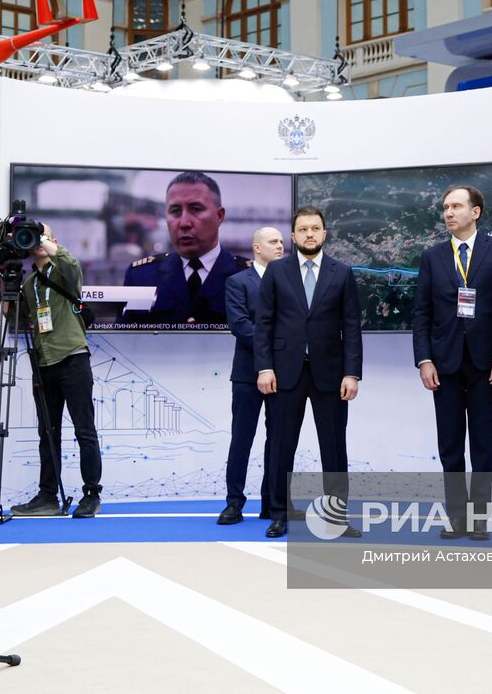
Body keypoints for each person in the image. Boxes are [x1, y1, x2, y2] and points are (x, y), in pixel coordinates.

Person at [412, 185, 492, 539]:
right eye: (445, 208)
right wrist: (424, 359)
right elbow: (421, 313)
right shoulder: (433, 256)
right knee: (450, 446)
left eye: (456, 206)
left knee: (483, 444)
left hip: (487, 364)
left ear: (476, 211)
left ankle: (479, 517)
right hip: (445, 364)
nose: (449, 213)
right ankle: (457, 517)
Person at [256, 207, 363, 539]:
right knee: (281, 446)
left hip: (330, 374)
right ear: (293, 236)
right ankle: (279, 513)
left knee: (334, 448)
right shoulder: (276, 271)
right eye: (303, 229)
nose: (310, 234)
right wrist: (265, 367)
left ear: (325, 234)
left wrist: (352, 373)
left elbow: (351, 327)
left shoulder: (341, 273)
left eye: (315, 228)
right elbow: (264, 323)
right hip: (284, 373)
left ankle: (337, 517)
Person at [12, 224, 103, 518]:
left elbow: (71, 262)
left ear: (53, 241)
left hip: (72, 358)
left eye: (44, 236)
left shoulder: (65, 273)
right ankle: (47, 496)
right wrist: (3, 290)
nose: (38, 241)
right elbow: (16, 318)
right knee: (48, 433)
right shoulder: (29, 284)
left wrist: (42, 238)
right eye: (33, 238)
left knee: (84, 430)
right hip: (43, 362)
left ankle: (91, 494)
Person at [217, 226, 285, 525]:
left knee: (278, 440)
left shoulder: (290, 282)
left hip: (284, 373)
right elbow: (239, 325)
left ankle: (271, 503)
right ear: (257, 247)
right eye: (273, 241)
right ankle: (234, 502)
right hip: (247, 373)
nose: (280, 246)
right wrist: (275, 345)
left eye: (282, 241)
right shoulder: (237, 282)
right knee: (242, 439)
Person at [122, 171, 250, 325]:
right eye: (175, 211)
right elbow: (121, 338)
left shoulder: (252, 277)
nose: (184, 223)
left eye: (196, 209)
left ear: (219, 216)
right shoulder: (140, 276)